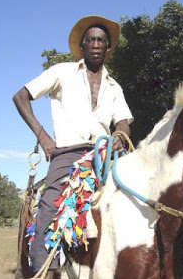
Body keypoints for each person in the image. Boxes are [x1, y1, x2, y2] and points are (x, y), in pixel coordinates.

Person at [12, 15, 133, 273]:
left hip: (105, 155)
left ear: (108, 48)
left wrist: (120, 136)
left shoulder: (115, 86)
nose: (97, 44)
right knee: (49, 205)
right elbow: (21, 96)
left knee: (139, 197)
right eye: (91, 40)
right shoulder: (62, 72)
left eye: (102, 40)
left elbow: (123, 123)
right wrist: (43, 136)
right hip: (68, 154)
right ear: (82, 46)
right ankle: (44, 268)